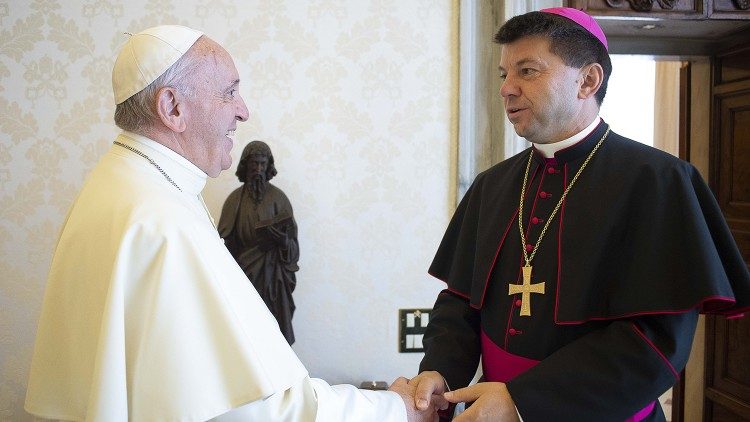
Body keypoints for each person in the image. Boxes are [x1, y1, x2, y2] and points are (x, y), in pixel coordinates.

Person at [24, 25, 444, 422]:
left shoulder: (122, 183)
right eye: (229, 94)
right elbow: (250, 411)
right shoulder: (162, 220)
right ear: (172, 107)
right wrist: (395, 408)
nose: (243, 112)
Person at [409, 8, 750, 422]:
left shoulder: (659, 181)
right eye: (504, 74)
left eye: (528, 71)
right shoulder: (492, 185)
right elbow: (461, 300)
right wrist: (439, 370)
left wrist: (522, 401)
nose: (507, 89)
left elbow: (656, 341)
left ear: (587, 80)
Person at [219, 141, 299, 345]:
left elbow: (293, 247)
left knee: (274, 335)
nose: (258, 169)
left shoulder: (279, 199)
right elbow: (221, 245)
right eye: (254, 164)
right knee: (245, 334)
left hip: (273, 279)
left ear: (268, 166)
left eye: (263, 164)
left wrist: (282, 241)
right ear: (246, 166)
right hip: (243, 276)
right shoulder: (234, 200)